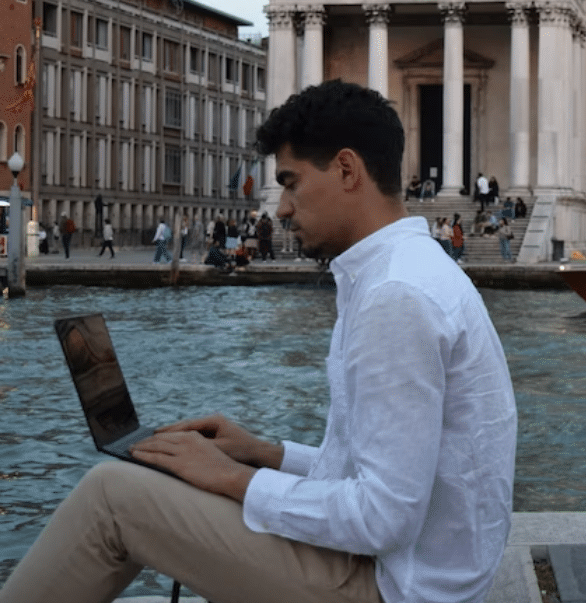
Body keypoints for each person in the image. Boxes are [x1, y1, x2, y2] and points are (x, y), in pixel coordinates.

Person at [0, 79, 518, 603]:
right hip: (415, 574)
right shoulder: (408, 272)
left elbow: (384, 518)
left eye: (291, 183)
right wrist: (265, 454)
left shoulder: (394, 297)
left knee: (112, 498)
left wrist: (232, 478)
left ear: (346, 170)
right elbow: (388, 477)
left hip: (392, 587)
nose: (283, 208)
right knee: (156, 482)